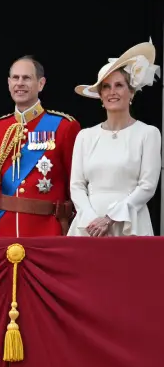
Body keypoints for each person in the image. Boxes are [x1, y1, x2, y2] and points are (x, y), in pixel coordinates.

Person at [69, 41, 161, 237]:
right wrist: (92, 218)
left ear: (132, 92)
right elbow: (76, 186)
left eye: (119, 85)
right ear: (100, 96)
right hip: (89, 226)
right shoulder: (85, 136)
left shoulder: (148, 133)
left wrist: (111, 218)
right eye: (106, 87)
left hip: (130, 223)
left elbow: (147, 186)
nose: (112, 92)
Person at [0, 56, 81, 237]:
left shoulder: (64, 126)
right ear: (9, 83)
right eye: (15, 78)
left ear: (41, 84)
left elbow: (75, 182)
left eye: (26, 78)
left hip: (48, 229)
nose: (20, 83)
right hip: (6, 227)